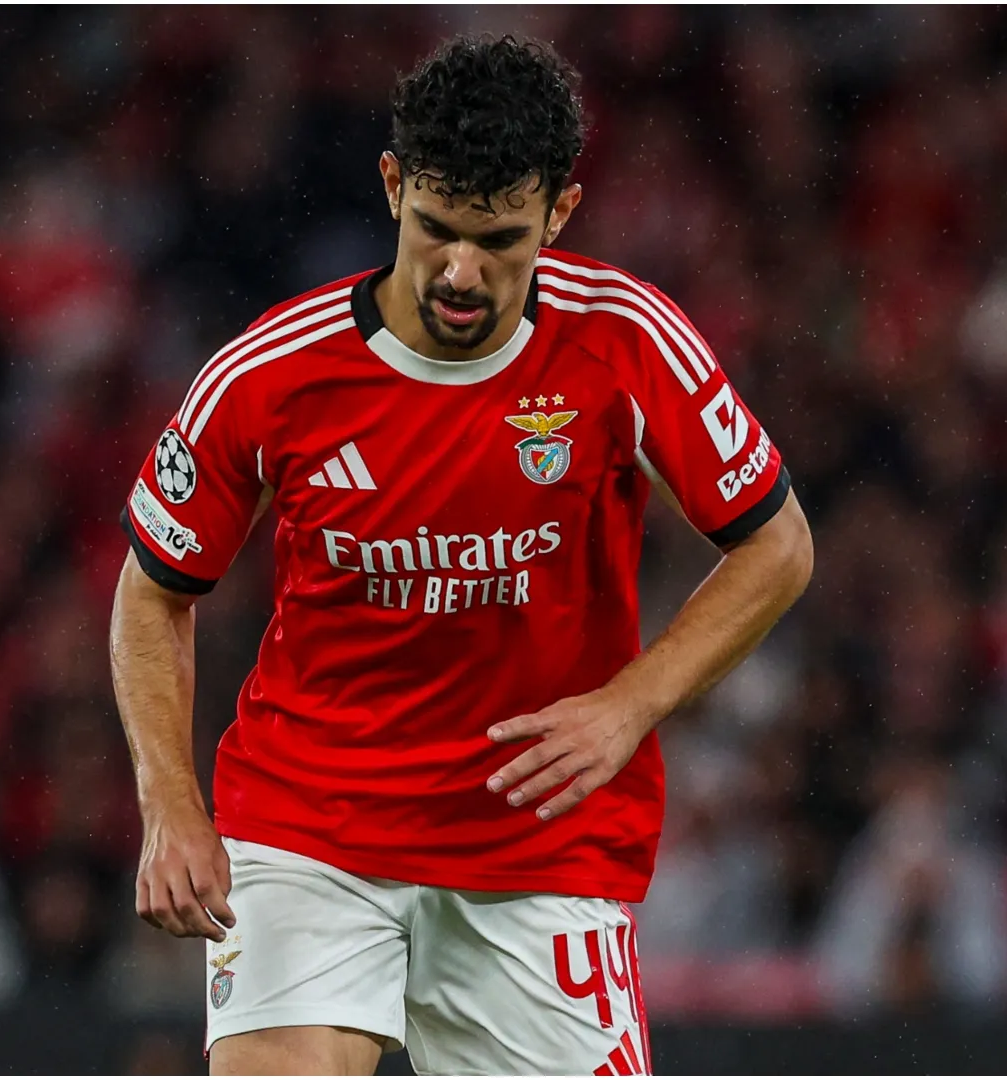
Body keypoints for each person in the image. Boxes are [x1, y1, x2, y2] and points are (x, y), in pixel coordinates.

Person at [109, 35, 814, 1076]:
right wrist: (169, 804)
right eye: (436, 228)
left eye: (500, 239)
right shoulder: (271, 375)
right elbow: (152, 594)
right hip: (312, 825)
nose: (459, 271)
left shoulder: (625, 342)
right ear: (394, 185)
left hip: (542, 847)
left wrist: (630, 704)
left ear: (559, 214)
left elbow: (780, 546)